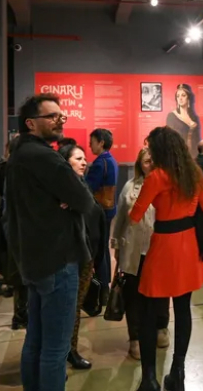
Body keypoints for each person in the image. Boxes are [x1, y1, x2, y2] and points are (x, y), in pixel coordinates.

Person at [7, 94, 95, 391]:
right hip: (57, 261)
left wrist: (66, 198)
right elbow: (85, 200)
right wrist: (70, 197)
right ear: (31, 123)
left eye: (61, 116)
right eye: (51, 116)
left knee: (36, 341)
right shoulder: (45, 157)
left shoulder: (19, 154)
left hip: (34, 261)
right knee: (55, 349)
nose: (59, 120)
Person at [128, 126, 203, 391]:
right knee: (183, 309)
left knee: (149, 311)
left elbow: (135, 215)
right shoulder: (194, 174)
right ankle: (178, 374)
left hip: (164, 246)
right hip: (189, 246)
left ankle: (149, 379)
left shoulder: (157, 177)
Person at [112, 147, 171, 361]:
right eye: (147, 161)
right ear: (140, 164)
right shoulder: (130, 187)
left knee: (161, 293)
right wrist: (116, 246)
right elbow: (120, 218)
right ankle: (135, 338)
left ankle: (161, 327)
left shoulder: (168, 186)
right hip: (133, 251)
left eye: (155, 160)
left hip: (159, 250)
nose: (151, 165)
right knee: (133, 297)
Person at [57, 143, 105, 371]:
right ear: (65, 162)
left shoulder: (82, 186)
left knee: (75, 307)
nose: (84, 162)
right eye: (78, 158)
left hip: (86, 257)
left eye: (85, 158)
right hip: (68, 257)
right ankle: (60, 354)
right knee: (66, 308)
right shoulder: (60, 190)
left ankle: (70, 350)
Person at [0, 134, 29, 329]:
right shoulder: (14, 171)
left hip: (17, 231)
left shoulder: (11, 169)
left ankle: (21, 316)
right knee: (22, 278)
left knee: (21, 279)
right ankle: (21, 317)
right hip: (20, 232)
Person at [85, 128, 119, 307]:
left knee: (99, 251)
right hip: (109, 208)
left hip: (100, 210)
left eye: (92, 142)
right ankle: (105, 287)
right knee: (103, 248)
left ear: (101, 142)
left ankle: (102, 288)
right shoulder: (111, 160)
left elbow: (89, 187)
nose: (90, 145)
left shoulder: (100, 163)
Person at [166, 84, 201, 153]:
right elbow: (169, 140)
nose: (180, 98)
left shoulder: (195, 118)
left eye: (183, 95)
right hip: (179, 154)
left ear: (188, 98)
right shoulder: (172, 116)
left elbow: (197, 140)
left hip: (194, 154)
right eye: (178, 96)